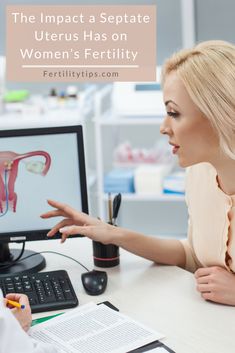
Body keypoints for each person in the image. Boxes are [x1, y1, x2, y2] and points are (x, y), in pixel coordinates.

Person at [41, 40, 235, 306]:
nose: (163, 127)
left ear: (220, 114)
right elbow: (191, 255)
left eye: (174, 113)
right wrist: (110, 233)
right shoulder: (200, 173)